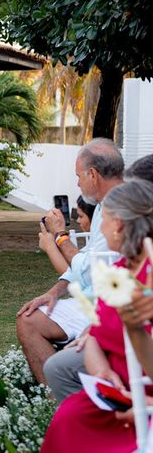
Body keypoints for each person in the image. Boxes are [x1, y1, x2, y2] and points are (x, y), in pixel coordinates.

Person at [41, 179, 153, 453]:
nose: (98, 227)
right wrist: (102, 372)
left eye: (104, 218)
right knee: (69, 416)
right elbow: (94, 335)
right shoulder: (118, 270)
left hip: (143, 396)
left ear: (118, 225)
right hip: (115, 392)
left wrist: (142, 403)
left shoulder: (147, 279)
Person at [17, 138, 123, 386]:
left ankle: (58, 399)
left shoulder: (117, 209)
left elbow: (86, 270)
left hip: (110, 310)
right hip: (98, 302)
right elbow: (86, 265)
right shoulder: (105, 205)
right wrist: (54, 292)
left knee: (29, 323)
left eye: (79, 176)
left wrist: (60, 234)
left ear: (93, 174)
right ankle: (56, 398)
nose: (77, 182)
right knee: (30, 316)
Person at [39, 196, 96, 275]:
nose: (78, 220)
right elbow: (73, 264)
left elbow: (74, 276)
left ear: (95, 217)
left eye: (81, 216)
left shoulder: (101, 244)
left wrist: (50, 247)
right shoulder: (95, 241)